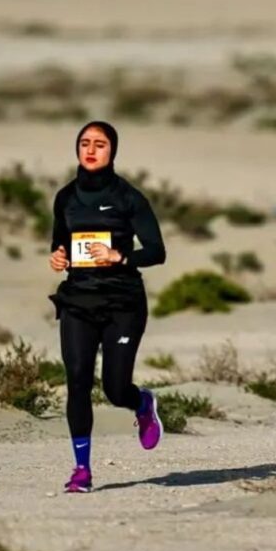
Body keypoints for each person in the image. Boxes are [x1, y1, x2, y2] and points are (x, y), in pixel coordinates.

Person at [49, 121, 167, 493]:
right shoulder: (65, 198)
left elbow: (157, 252)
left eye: (100, 144)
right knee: (78, 381)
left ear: (112, 150)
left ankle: (142, 403)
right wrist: (58, 257)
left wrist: (120, 255)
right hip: (77, 301)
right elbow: (60, 244)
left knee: (115, 389)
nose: (91, 149)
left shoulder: (128, 197)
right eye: (85, 143)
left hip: (122, 303)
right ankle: (81, 470)